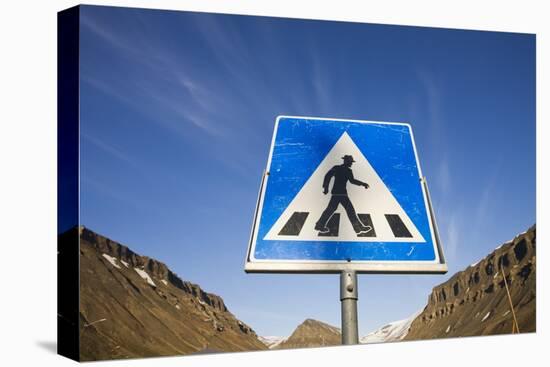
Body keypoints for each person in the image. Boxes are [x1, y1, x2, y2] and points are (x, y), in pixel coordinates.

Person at [315, 155, 372, 235]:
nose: (351, 164)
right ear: (346, 161)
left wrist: (363, 184)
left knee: (332, 210)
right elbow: (328, 176)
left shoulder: (347, 170)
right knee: (348, 211)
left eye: (351, 162)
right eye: (350, 162)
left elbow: (352, 181)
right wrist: (326, 188)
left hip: (339, 193)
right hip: (340, 194)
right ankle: (358, 228)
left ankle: (319, 225)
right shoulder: (337, 168)